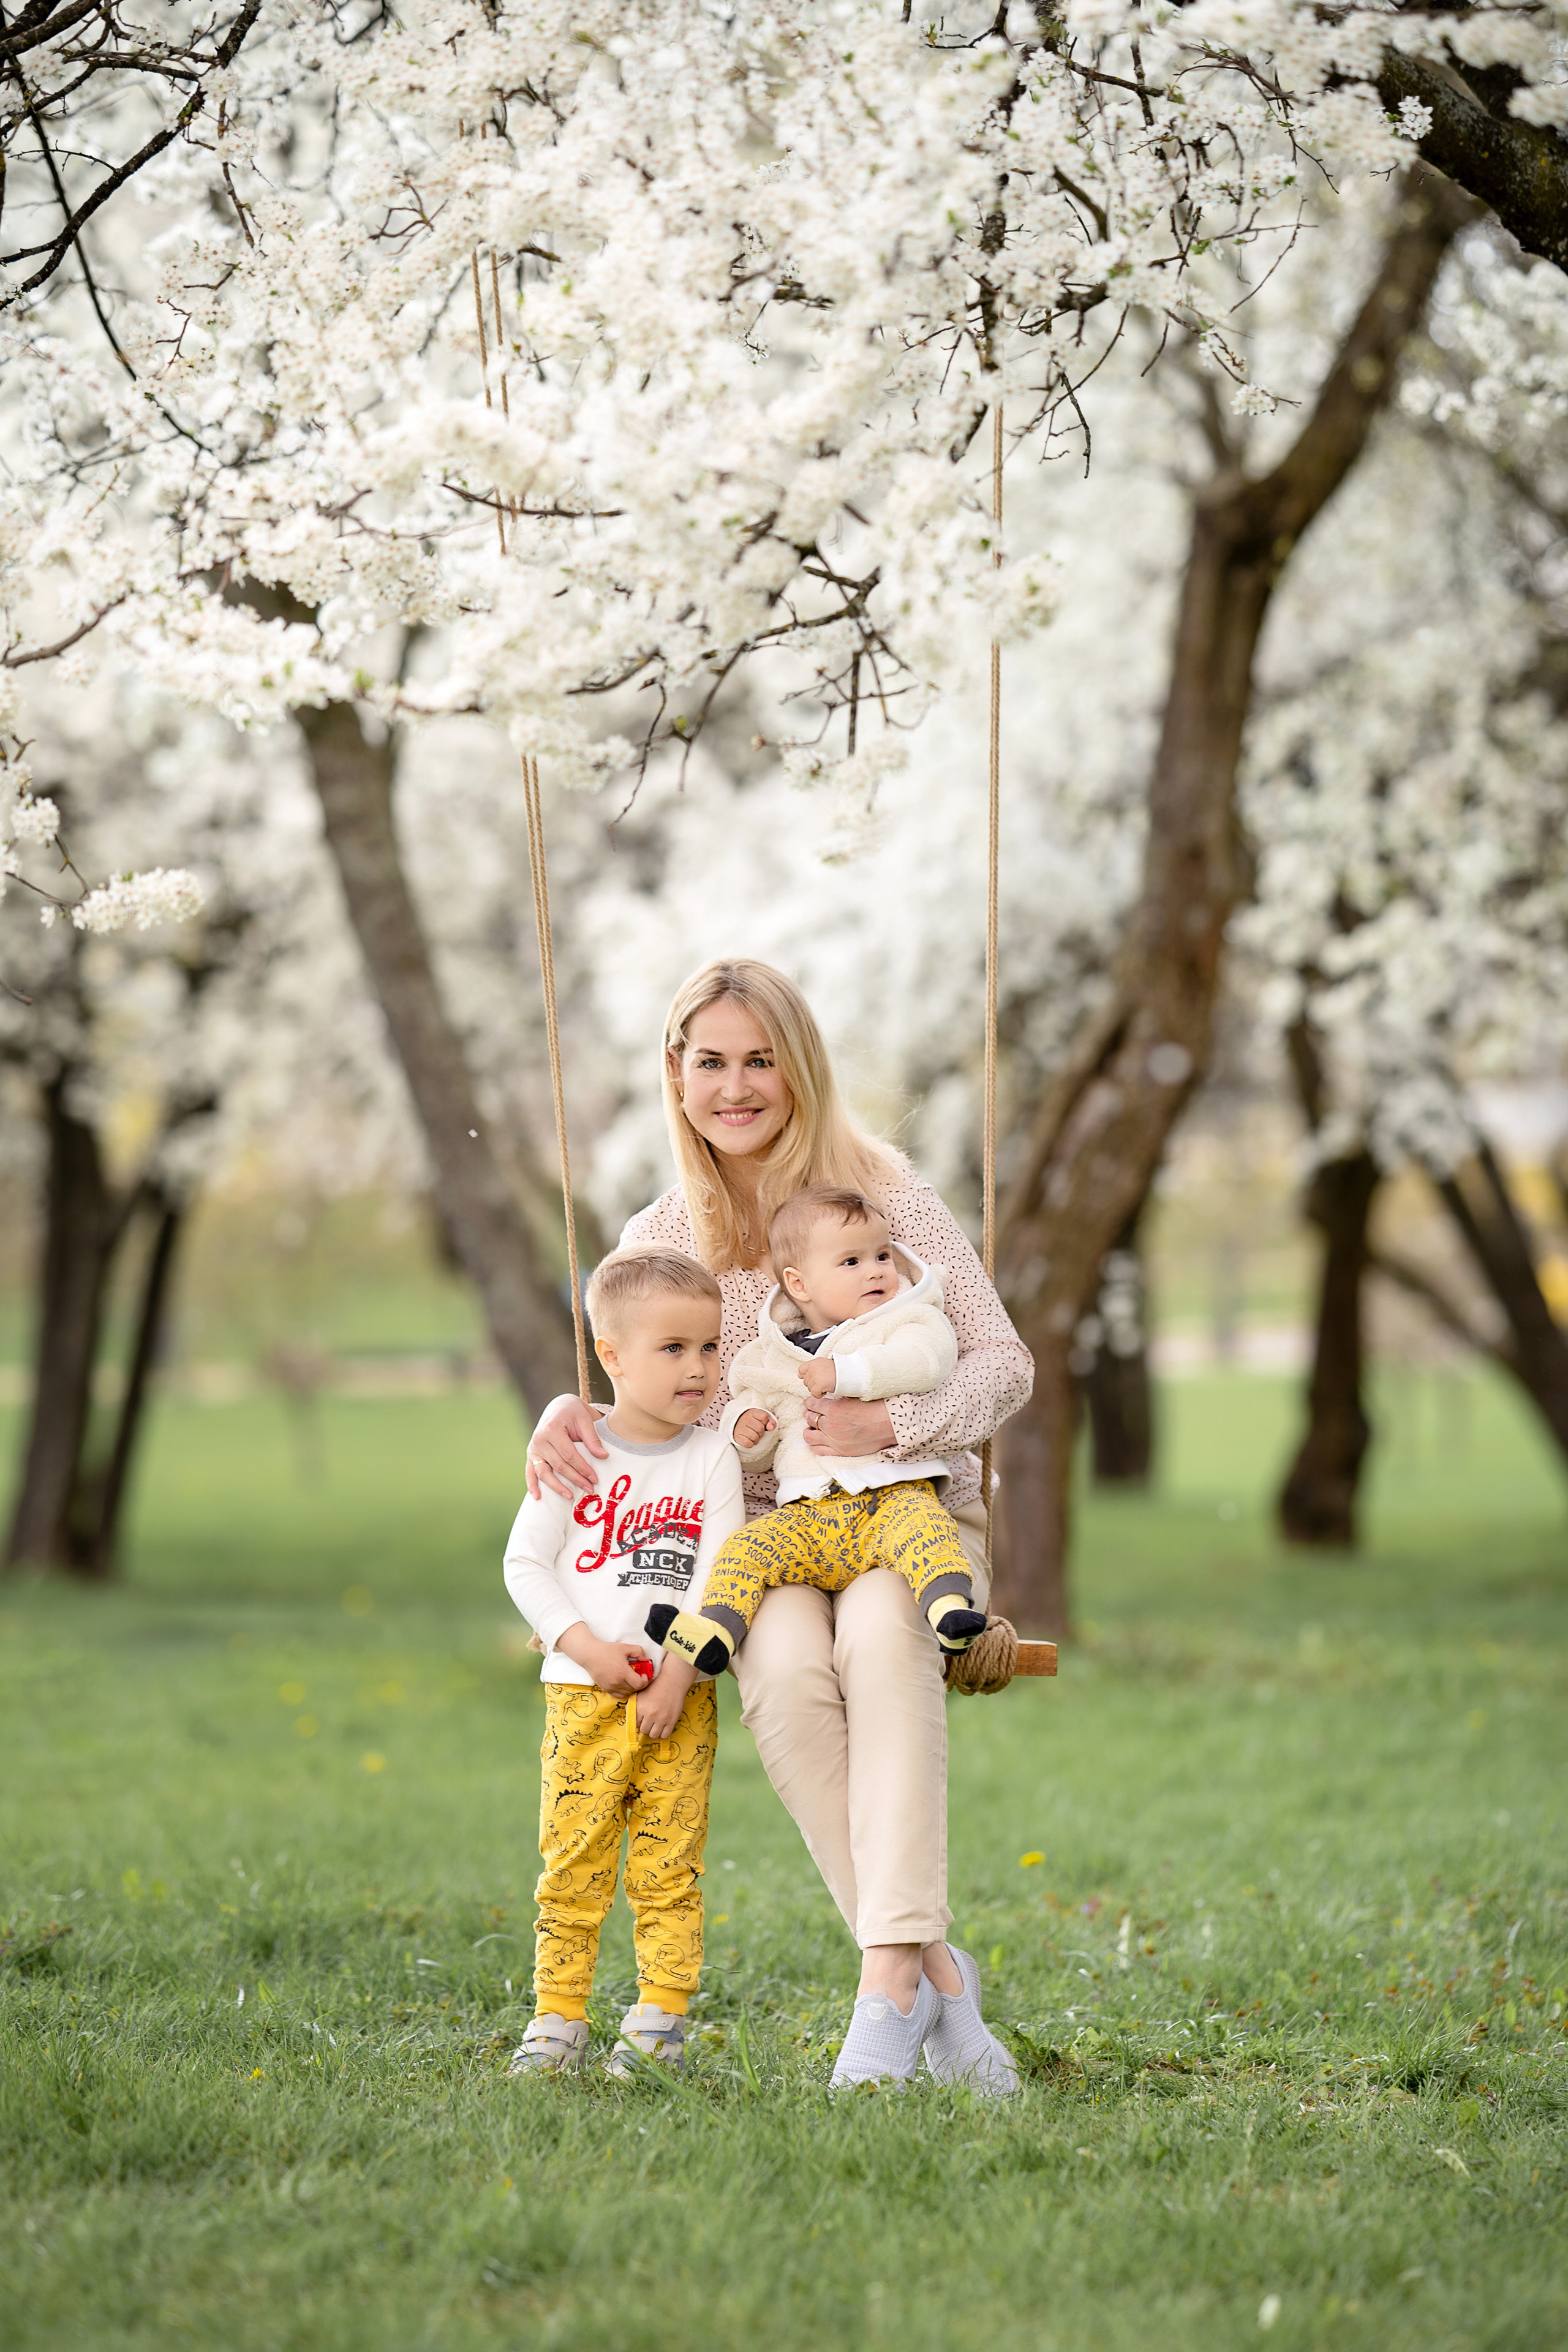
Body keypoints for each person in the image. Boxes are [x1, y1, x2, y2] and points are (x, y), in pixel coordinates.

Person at [526, 958, 1032, 2092]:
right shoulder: (662, 1230)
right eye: (712, 1061)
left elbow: (1005, 1361)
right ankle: (934, 1980)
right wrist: (564, 1409)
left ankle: (883, 1993)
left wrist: (895, 1420)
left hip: (910, 1516)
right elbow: (623, 1380)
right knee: (792, 1675)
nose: (738, 1086)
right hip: (761, 1542)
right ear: (678, 1074)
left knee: (882, 1639)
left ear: (799, 1070)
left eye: (762, 1060)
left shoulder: (884, 1199)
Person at [502, 1245, 744, 2079]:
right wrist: (587, 1649)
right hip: (583, 1698)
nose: (698, 1368)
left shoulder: (711, 1458)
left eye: (710, 1348)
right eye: (673, 1349)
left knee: (668, 1866)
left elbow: (722, 1574)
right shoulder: (576, 1454)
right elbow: (525, 1566)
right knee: (573, 1863)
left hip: (680, 1703)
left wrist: (679, 1675)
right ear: (611, 1357)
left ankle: (659, 2019)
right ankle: (558, 2017)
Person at [646, 1183, 987, 1676]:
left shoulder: (908, 1319)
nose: (875, 1270)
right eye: (851, 1262)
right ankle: (715, 1632)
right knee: (747, 1548)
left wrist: (847, 1372)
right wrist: (748, 1431)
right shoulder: (772, 1355)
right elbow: (753, 1415)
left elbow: (926, 1362)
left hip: (888, 1499)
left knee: (926, 1528)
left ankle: (948, 1609)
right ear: (799, 1285)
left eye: (883, 1256)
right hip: (808, 1514)